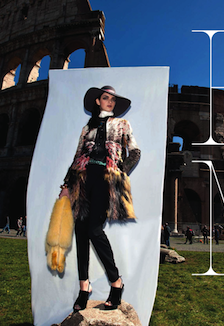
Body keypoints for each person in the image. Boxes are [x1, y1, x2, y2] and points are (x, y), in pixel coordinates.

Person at [59, 86, 140, 312]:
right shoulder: (87, 128)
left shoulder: (123, 125)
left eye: (113, 100)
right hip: (83, 180)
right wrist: (66, 185)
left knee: (95, 229)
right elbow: (77, 156)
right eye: (106, 98)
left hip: (106, 180)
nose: (110, 102)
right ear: (97, 101)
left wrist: (119, 170)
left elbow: (135, 152)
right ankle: (84, 287)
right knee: (81, 232)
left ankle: (116, 282)